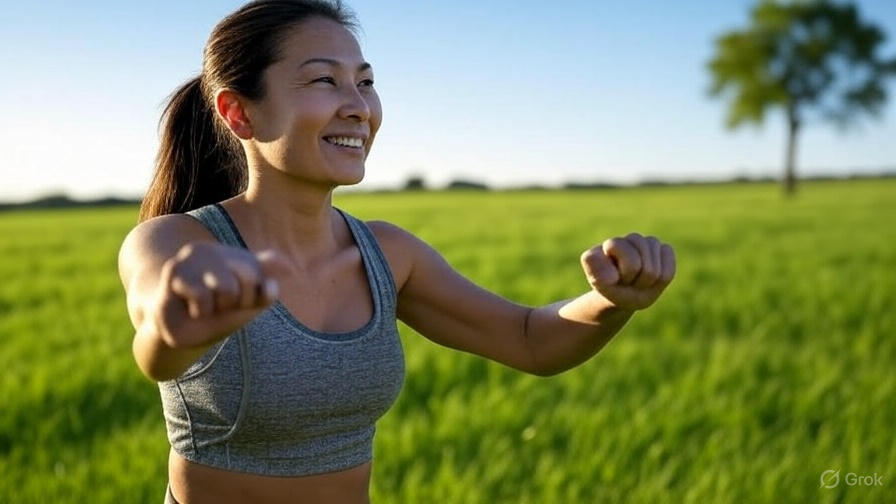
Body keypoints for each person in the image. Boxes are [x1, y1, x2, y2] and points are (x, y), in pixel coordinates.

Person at [117, 1, 677, 502]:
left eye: (365, 82)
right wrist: (177, 327)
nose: (358, 106)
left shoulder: (387, 253)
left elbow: (529, 340)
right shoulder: (177, 242)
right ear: (240, 113)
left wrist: (610, 302)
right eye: (324, 82)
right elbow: (156, 353)